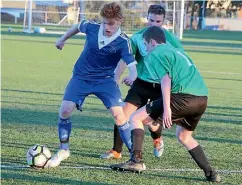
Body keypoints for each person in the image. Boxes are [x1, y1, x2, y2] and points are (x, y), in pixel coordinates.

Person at [110, 26, 221, 183]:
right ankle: (211, 173)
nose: (146, 48)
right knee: (183, 135)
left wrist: (167, 109)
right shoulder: (176, 51)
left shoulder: (156, 53)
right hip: (202, 98)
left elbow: (165, 79)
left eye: (146, 44)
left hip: (183, 97)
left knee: (135, 118)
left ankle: (136, 161)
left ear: (153, 42)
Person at [47, 2, 137, 168]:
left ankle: (135, 154)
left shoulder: (124, 41)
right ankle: (64, 149)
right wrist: (62, 39)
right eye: (104, 22)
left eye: (111, 23)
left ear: (119, 21)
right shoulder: (92, 27)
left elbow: (132, 66)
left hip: (105, 81)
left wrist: (132, 76)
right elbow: (78, 26)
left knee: (119, 116)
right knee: (65, 110)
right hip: (81, 77)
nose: (107, 27)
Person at [100, 4, 184, 159]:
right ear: (147, 18)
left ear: (163, 21)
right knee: (121, 114)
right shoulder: (138, 37)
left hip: (161, 87)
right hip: (141, 84)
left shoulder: (172, 41)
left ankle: (157, 139)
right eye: (151, 20)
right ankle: (116, 151)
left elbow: (179, 65)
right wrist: (115, 80)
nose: (154, 24)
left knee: (152, 124)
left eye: (158, 21)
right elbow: (125, 60)